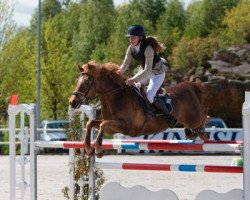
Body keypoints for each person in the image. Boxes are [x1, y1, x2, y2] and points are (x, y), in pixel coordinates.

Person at [118, 24, 176, 128]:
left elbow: (148, 69)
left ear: (140, 38)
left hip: (157, 73)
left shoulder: (148, 48)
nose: (131, 40)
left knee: (150, 96)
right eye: (130, 37)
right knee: (133, 89)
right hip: (145, 71)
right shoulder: (131, 48)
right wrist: (116, 74)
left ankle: (168, 115)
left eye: (133, 37)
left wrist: (134, 79)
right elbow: (125, 65)